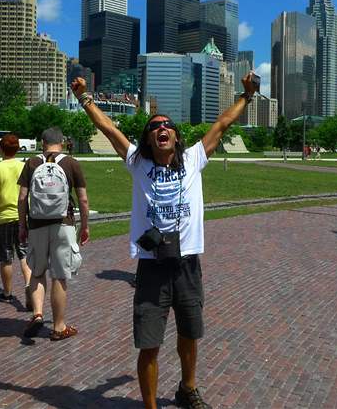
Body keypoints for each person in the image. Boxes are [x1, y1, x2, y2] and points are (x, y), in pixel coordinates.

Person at [71, 72, 259, 409]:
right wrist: (85, 99)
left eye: (167, 125)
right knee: (149, 342)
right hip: (151, 266)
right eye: (155, 125)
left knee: (190, 333)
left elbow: (222, 124)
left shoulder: (193, 159)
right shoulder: (138, 163)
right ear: (148, 138)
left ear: (176, 136)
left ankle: (187, 388)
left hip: (187, 262)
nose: (161, 128)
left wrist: (247, 96)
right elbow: (110, 130)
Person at [18, 127, 89, 341]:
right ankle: (59, 326)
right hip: (63, 224)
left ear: (43, 142)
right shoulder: (71, 163)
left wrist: (23, 226)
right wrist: (85, 226)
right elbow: (83, 199)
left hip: (37, 224)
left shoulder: (31, 163)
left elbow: (22, 198)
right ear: (62, 142)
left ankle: (37, 313)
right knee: (59, 275)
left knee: (37, 272)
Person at [0, 133, 32, 307]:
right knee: (24, 254)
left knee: (6, 257)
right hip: (23, 216)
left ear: (1, 149)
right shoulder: (25, 167)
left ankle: (7, 292)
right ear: (18, 149)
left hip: (3, 217)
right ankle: (29, 285)